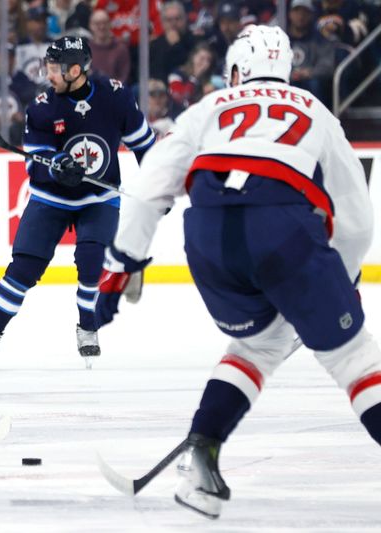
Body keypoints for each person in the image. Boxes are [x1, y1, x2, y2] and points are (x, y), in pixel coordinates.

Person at [95, 25, 381, 519]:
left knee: (258, 345)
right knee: (354, 358)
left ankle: (201, 461)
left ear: (234, 71)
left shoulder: (208, 109)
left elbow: (146, 193)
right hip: (284, 230)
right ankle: (202, 457)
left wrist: (121, 269)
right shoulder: (316, 111)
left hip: (208, 240)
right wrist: (343, 283)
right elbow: (356, 220)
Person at [0, 36, 155, 368]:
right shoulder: (43, 106)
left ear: (76, 70)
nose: (49, 75)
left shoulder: (115, 97)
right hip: (51, 198)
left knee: (91, 262)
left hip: (99, 197)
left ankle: (87, 325)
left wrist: (159, 184)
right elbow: (34, 160)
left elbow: (144, 145)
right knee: (23, 269)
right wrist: (57, 164)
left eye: (55, 69)